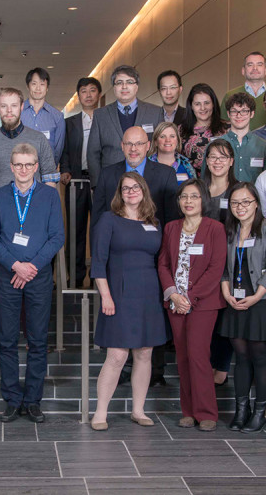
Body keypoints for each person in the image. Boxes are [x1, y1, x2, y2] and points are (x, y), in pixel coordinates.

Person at [0, 88, 60, 356]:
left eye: (13, 106)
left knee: (31, 277)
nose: (8, 111)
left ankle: (30, 335)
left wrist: (48, 216)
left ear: (22, 107)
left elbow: (51, 181)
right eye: (3, 106)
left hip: (35, 223)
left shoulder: (38, 140)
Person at [0, 143, 65, 424]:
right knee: (6, 341)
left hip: (39, 276)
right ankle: (12, 400)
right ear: (11, 166)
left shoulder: (49, 196)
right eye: (18, 164)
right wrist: (16, 265)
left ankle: (32, 400)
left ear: (36, 167)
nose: (23, 169)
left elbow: (57, 237)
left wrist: (31, 267)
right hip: (7, 276)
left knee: (38, 341)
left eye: (29, 164)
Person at [89, 172, 166, 430]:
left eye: (135, 187)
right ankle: (100, 413)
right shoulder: (108, 220)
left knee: (144, 353)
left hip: (149, 294)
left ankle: (138, 410)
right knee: (117, 356)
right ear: (119, 193)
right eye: (125, 189)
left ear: (143, 190)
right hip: (119, 295)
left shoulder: (153, 222)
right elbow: (98, 263)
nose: (131, 192)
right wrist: (106, 296)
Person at [158, 179, 227, 431]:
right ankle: (188, 411)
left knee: (198, 356)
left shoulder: (215, 228)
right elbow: (164, 264)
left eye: (194, 197)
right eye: (184, 197)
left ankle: (206, 411)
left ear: (203, 201)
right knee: (183, 357)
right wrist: (174, 295)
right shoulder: (171, 228)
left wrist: (190, 298)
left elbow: (215, 269)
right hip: (176, 303)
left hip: (203, 304)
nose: (188, 201)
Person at [219, 183, 266, 433]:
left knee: (260, 355)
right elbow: (224, 268)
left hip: (262, 300)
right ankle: (241, 410)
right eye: (235, 203)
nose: (240, 207)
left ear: (256, 203)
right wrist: (226, 293)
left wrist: (257, 296)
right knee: (241, 357)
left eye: (245, 202)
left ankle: (260, 412)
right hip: (235, 300)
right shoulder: (230, 230)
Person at [86, 65, 163, 188]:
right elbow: (93, 153)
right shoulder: (101, 115)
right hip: (111, 182)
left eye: (129, 82)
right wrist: (97, 184)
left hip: (147, 182)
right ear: (114, 87)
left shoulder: (155, 112)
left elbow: (160, 148)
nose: (124, 86)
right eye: (119, 83)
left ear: (136, 86)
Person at [200, 139, 238, 385]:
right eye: (212, 157)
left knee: (224, 316)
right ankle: (203, 365)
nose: (217, 162)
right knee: (204, 315)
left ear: (231, 162)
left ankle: (221, 367)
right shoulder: (199, 188)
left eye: (222, 157)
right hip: (200, 260)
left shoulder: (238, 189)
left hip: (230, 260)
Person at [92, 126, 179, 230]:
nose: (133, 149)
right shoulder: (106, 174)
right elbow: (97, 218)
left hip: (154, 243)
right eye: (129, 144)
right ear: (122, 146)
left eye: (139, 144)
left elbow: (172, 219)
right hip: (115, 243)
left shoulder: (166, 174)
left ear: (148, 146)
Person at [61, 77, 101, 286]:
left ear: (99, 95)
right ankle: (74, 278)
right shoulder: (69, 123)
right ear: (78, 96)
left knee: (99, 231)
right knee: (75, 231)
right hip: (76, 181)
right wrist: (66, 170)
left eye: (92, 90)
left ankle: (97, 277)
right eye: (83, 91)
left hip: (100, 183)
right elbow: (64, 150)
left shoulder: (105, 119)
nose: (88, 95)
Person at [220, 52, 266, 131]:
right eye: (250, 65)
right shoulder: (230, 95)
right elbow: (222, 129)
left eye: (259, 64)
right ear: (243, 70)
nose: (255, 68)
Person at [216, 92, 266, 183]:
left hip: (255, 197)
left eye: (244, 111)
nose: (238, 115)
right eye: (234, 111)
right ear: (228, 114)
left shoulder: (264, 146)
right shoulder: (215, 145)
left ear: (252, 114)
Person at [180, 83, 229, 175]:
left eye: (207, 103)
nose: (203, 108)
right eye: (197, 104)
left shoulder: (227, 128)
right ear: (191, 106)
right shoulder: (181, 130)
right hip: (193, 184)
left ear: (213, 104)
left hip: (223, 183)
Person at [21, 67, 65, 164]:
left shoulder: (57, 116)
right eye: (34, 84)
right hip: (20, 172)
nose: (38, 88)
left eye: (42, 84)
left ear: (47, 87)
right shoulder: (18, 113)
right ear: (28, 86)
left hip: (46, 174)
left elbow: (58, 150)